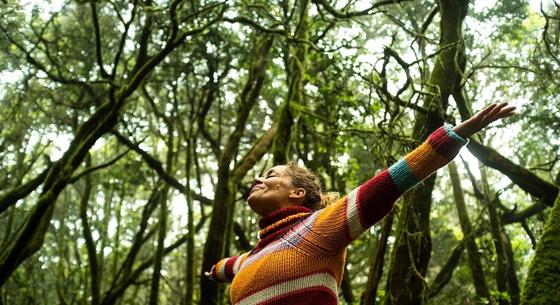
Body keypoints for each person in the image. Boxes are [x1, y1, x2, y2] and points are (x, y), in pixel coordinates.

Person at [206, 103, 516, 305]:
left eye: (270, 175)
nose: (258, 179)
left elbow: (386, 185)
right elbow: (229, 267)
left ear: (297, 193)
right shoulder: (252, 257)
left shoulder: (318, 230)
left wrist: (454, 135)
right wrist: (215, 270)